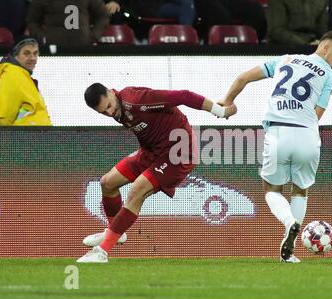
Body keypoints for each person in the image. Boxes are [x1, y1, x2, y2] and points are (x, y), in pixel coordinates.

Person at [219, 31, 332, 263]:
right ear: (325, 49)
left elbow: (243, 78)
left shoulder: (284, 60)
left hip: (278, 132)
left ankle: (289, 223)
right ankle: (289, 248)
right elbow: (317, 114)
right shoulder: (329, 76)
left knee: (271, 189)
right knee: (300, 190)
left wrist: (228, 101)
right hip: (308, 136)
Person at [77, 83, 237, 263]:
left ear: (111, 92)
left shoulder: (137, 100)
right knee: (107, 182)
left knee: (137, 191)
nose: (109, 113)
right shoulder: (117, 109)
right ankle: (115, 232)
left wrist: (220, 111)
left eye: (108, 107)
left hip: (178, 152)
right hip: (151, 152)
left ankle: (102, 251)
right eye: (103, 112)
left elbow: (183, 95)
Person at [0, 37, 52, 126]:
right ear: (15, 55)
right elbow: (2, 118)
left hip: (34, 137)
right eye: (26, 54)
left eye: (35, 54)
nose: (33, 58)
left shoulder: (22, 76)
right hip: (24, 138)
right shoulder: (13, 75)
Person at [27, 0, 110, 46]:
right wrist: (43, 38)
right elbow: (32, 20)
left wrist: (92, 36)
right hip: (53, 48)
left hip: (82, 46)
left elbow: (103, 15)